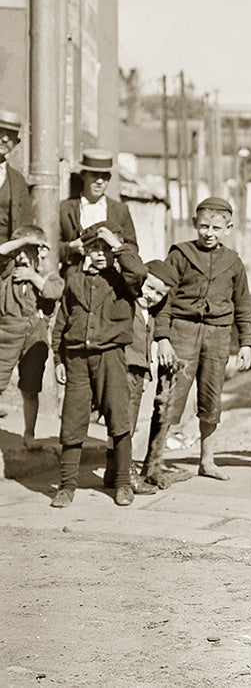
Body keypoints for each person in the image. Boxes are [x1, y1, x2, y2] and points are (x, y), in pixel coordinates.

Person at [143, 197, 251, 487]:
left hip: (218, 335)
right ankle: (153, 463)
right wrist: (163, 338)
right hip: (182, 331)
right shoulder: (180, 255)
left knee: (211, 398)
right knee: (169, 397)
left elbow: (242, 304)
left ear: (228, 228)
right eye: (203, 226)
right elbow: (164, 299)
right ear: (194, 224)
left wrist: (246, 343)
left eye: (217, 227)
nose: (209, 233)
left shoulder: (234, 262)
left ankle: (207, 461)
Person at [49, 222, 146, 507]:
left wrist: (116, 244)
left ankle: (123, 484)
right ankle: (66, 486)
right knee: (73, 421)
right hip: (77, 358)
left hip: (110, 357)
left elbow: (139, 272)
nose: (101, 254)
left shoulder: (122, 280)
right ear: (86, 251)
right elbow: (61, 322)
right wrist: (58, 359)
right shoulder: (74, 279)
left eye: (106, 249)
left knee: (119, 419)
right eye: (95, 248)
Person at [116, 259, 174, 496]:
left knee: (129, 422)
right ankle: (126, 473)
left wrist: (148, 371)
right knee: (124, 425)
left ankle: (115, 471)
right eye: (149, 288)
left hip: (138, 373)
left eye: (160, 294)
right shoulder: (126, 306)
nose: (152, 296)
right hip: (124, 370)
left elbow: (145, 345)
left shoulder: (149, 313)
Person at [0, 226, 61, 451]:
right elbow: (1, 253)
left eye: (30, 250)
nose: (22, 256)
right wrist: (22, 241)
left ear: (42, 252)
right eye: (19, 250)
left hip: (35, 331)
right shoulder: (7, 270)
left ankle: (29, 434)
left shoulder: (48, 274)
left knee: (30, 386)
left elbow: (55, 291)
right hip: (7, 330)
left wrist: (33, 277)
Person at [59, 149, 139, 264]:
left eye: (105, 176)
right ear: (83, 175)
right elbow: (50, 248)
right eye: (94, 175)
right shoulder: (65, 208)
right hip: (75, 278)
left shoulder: (120, 210)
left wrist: (115, 245)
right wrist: (71, 247)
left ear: (110, 178)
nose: (100, 181)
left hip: (110, 279)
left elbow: (133, 248)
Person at [0, 110, 34, 245]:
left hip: (5, 257)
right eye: (0, 132)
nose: (5, 139)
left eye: (11, 135)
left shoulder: (17, 180)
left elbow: (26, 221)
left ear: (16, 143)